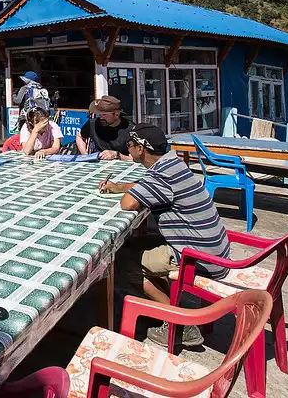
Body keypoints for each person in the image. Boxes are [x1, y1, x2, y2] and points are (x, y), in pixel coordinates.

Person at [98, 123, 231, 347]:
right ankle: (159, 302)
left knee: (118, 261)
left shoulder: (160, 176)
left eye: (130, 145)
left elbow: (128, 204)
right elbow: (145, 186)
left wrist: (125, 192)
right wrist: (118, 186)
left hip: (198, 257)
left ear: (141, 149)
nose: (128, 149)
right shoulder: (172, 164)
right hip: (210, 247)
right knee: (131, 243)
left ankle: (179, 321)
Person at [77, 95, 133, 160]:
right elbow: (79, 136)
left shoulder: (130, 130)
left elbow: (135, 159)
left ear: (116, 114)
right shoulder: (93, 124)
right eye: (99, 114)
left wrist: (117, 155)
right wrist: (85, 155)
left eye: (104, 115)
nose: (101, 118)